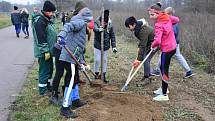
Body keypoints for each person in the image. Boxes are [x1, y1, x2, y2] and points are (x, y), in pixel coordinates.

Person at [49, 1, 94, 110]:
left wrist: (83, 63)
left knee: (74, 76)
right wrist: (61, 36)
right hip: (61, 49)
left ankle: (75, 99)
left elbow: (80, 49)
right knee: (62, 73)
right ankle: (57, 97)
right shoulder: (79, 22)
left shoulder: (84, 27)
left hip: (70, 52)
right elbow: (68, 26)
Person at [151, 7, 194, 79]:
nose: (163, 14)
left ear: (169, 14)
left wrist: (162, 36)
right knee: (177, 56)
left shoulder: (170, 20)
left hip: (172, 44)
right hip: (173, 43)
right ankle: (188, 71)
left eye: (165, 13)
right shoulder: (169, 19)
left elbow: (172, 32)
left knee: (172, 56)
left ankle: (158, 70)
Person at [148, 3, 179, 101]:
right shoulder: (167, 17)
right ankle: (164, 88)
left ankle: (164, 95)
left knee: (164, 70)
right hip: (173, 47)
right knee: (162, 68)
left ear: (158, 13)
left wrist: (152, 45)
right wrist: (168, 23)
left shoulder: (158, 24)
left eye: (152, 15)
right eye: (150, 14)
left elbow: (157, 41)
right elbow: (177, 20)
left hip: (167, 49)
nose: (150, 17)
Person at [32, 1, 57, 96]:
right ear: (46, 11)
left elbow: (50, 34)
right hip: (44, 52)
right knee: (44, 70)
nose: (53, 14)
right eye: (52, 12)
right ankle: (43, 90)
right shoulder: (40, 21)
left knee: (50, 69)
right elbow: (41, 38)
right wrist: (45, 51)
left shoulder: (47, 19)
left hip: (50, 51)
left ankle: (48, 86)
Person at [125, 16, 156, 86]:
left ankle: (147, 78)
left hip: (155, 43)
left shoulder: (142, 30)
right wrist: (139, 48)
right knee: (144, 57)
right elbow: (142, 41)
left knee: (146, 59)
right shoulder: (138, 28)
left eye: (128, 27)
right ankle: (148, 74)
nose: (128, 29)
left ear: (132, 25)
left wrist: (139, 59)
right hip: (149, 42)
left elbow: (143, 45)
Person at [93, 9, 117, 83]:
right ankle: (96, 74)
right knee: (97, 60)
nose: (105, 24)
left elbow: (112, 36)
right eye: (104, 22)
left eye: (106, 23)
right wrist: (99, 29)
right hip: (97, 45)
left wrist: (114, 46)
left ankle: (103, 75)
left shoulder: (110, 24)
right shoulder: (97, 21)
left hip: (106, 46)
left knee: (104, 60)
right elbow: (94, 28)